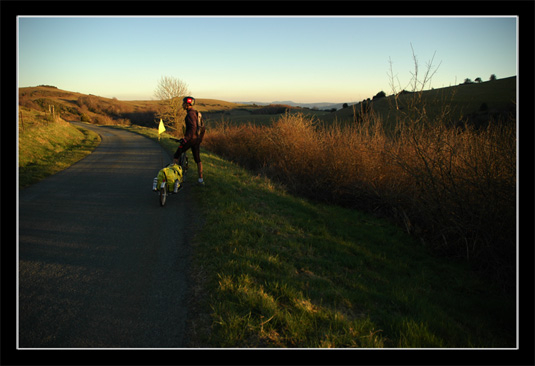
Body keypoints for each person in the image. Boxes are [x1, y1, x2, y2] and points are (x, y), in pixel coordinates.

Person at [173, 96, 205, 186]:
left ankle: (174, 177)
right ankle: (200, 180)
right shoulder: (197, 113)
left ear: (187, 104)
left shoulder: (190, 115)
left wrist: (185, 139)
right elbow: (203, 128)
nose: (182, 105)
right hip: (197, 140)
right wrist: (200, 139)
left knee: (177, 154)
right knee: (197, 159)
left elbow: (193, 128)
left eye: (183, 103)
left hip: (191, 139)